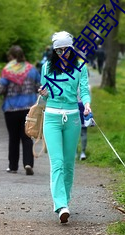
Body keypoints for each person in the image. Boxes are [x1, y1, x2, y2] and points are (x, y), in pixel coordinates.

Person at [38, 31, 91, 223]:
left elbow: (84, 89)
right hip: (51, 117)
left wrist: (87, 104)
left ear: (71, 48)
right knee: (57, 163)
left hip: (73, 118)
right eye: (58, 50)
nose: (62, 53)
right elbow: (44, 96)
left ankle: (65, 201)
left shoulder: (80, 67)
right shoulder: (47, 67)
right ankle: (60, 205)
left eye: (65, 50)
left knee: (69, 164)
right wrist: (43, 92)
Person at [0, 45, 41, 175]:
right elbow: (39, 87)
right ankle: (28, 163)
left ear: (11, 57)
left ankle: (13, 166)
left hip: (11, 109)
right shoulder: (32, 70)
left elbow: (0, 90)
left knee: (13, 138)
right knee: (27, 137)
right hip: (28, 109)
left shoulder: (7, 71)